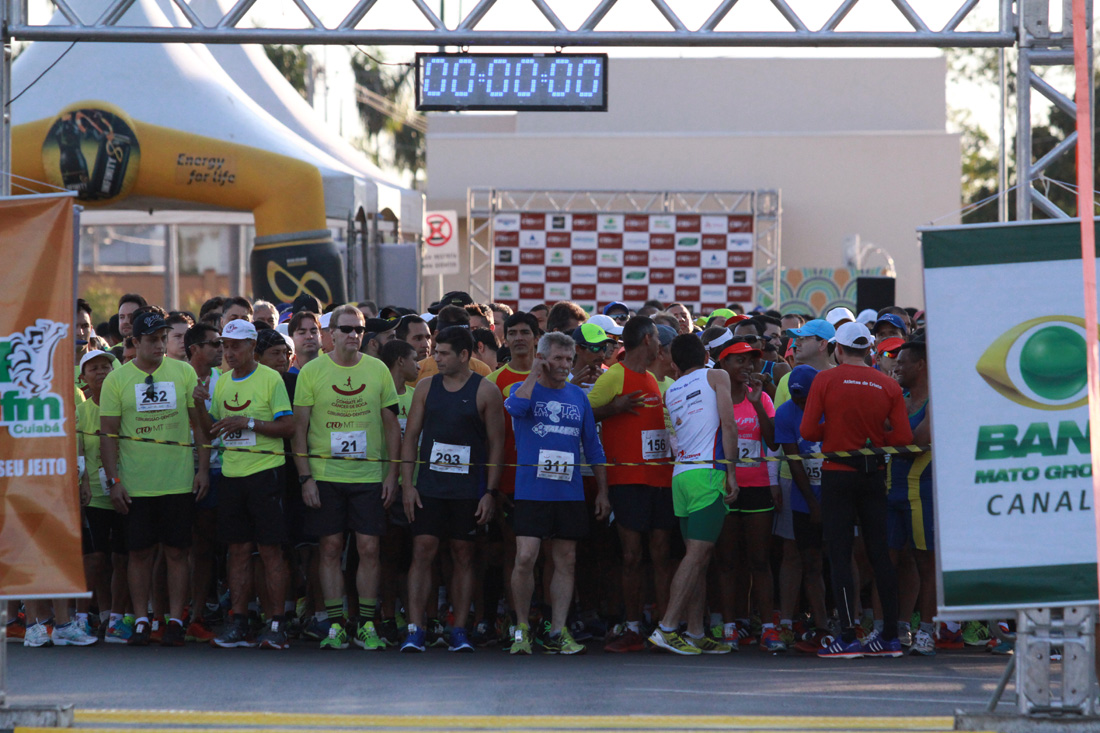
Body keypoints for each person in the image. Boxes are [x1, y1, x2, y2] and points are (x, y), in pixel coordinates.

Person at [801, 321, 913, 659]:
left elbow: (807, 430)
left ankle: (848, 635)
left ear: (838, 349)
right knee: (879, 553)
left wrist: (835, 431)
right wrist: (876, 441)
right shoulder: (888, 384)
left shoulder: (825, 379)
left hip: (837, 474)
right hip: (874, 473)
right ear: (869, 350)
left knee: (839, 554)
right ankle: (891, 636)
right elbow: (904, 439)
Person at [293, 304, 401, 650]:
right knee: (330, 548)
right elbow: (299, 430)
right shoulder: (312, 372)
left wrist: (391, 474)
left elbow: (391, 428)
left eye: (359, 329)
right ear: (331, 334)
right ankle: (336, 624)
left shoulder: (378, 370)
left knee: (369, 548)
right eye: (347, 329)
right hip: (326, 475)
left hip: (369, 475)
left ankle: (367, 624)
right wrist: (305, 478)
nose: (354, 335)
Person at [99, 311, 210, 646]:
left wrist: (202, 469)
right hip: (136, 484)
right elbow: (108, 436)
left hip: (177, 481)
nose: (160, 345)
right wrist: (114, 481)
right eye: (152, 339)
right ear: (134, 342)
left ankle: (175, 619)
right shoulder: (117, 380)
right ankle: (143, 619)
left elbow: (200, 426)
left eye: (163, 338)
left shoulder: (183, 371)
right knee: (139, 554)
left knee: (178, 552)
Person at [399, 327, 504, 652]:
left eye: (443, 353)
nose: (436, 358)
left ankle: (459, 628)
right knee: (423, 551)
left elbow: (497, 444)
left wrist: (489, 491)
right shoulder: (426, 387)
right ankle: (416, 628)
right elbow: (411, 437)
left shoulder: (486, 391)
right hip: (429, 488)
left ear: (464, 355)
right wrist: (407, 486)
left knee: (463, 554)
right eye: (436, 352)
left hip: (467, 490)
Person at [505, 332, 610, 655]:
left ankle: (557, 630)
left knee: (566, 559)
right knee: (525, 557)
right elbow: (515, 407)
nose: (565, 365)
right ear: (543, 358)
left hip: (569, 492)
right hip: (531, 491)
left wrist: (603, 492)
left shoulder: (578, 397)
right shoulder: (522, 389)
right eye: (559, 359)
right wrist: (535, 374)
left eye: (569, 359)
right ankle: (522, 627)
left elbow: (593, 447)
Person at [199, 320, 295, 649]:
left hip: (266, 472)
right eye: (225, 345)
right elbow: (212, 430)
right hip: (232, 475)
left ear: (252, 347)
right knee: (237, 550)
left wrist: (249, 422)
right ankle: (238, 620)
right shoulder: (222, 383)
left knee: (270, 551)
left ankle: (277, 623)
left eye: (236, 345)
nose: (229, 351)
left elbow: (288, 427)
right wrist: (199, 405)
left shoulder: (271, 379)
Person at [587, 316, 674, 653]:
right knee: (632, 556)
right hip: (626, 481)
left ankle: (665, 625)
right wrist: (614, 408)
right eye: (657, 338)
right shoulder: (615, 376)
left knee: (661, 555)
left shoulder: (652, 378)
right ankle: (634, 625)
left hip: (660, 479)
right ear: (647, 339)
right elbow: (583, 413)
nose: (661, 344)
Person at [648, 335, 738, 655]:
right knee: (697, 556)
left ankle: (696, 632)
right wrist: (732, 473)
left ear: (673, 364)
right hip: (707, 473)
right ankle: (667, 627)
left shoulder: (671, 389)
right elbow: (729, 424)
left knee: (696, 558)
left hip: (682, 476)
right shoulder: (717, 375)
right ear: (708, 354)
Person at [710, 331, 780, 651]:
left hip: (757, 484)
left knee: (759, 561)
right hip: (724, 486)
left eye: (750, 359)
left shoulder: (761, 396)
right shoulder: (714, 395)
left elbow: (774, 441)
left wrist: (758, 405)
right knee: (726, 561)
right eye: (739, 359)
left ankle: (768, 627)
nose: (746, 365)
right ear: (722, 363)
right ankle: (728, 626)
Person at [773, 365, 830, 652]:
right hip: (803, 498)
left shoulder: (832, 407)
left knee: (843, 559)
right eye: (796, 398)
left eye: (805, 398)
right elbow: (794, 461)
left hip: (836, 494)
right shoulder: (784, 413)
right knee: (809, 562)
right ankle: (819, 626)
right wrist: (812, 504)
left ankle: (851, 621)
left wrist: (829, 502)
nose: (800, 403)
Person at [888, 339, 936, 656]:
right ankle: (897, 626)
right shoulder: (900, 399)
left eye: (902, 363)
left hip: (923, 492)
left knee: (925, 563)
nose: (896, 368)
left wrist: (888, 429)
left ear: (920, 365)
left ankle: (928, 631)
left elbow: (917, 442)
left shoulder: (936, 401)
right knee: (891, 559)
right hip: (892, 489)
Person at [73, 350, 120, 647]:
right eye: (94, 368)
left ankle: (116, 617)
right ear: (83, 377)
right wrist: (84, 483)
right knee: (96, 558)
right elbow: (77, 453)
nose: (101, 372)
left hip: (126, 491)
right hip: (95, 496)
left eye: (106, 366)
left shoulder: (123, 406)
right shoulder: (82, 411)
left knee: (123, 558)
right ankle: (88, 616)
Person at [182, 322, 224, 643]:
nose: (221, 349)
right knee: (172, 547)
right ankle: (170, 613)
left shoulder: (223, 381)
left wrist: (206, 470)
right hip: (177, 469)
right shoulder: (176, 376)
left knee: (204, 546)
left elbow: (212, 431)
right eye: (214, 343)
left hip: (215, 469)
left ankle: (196, 614)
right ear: (194, 349)